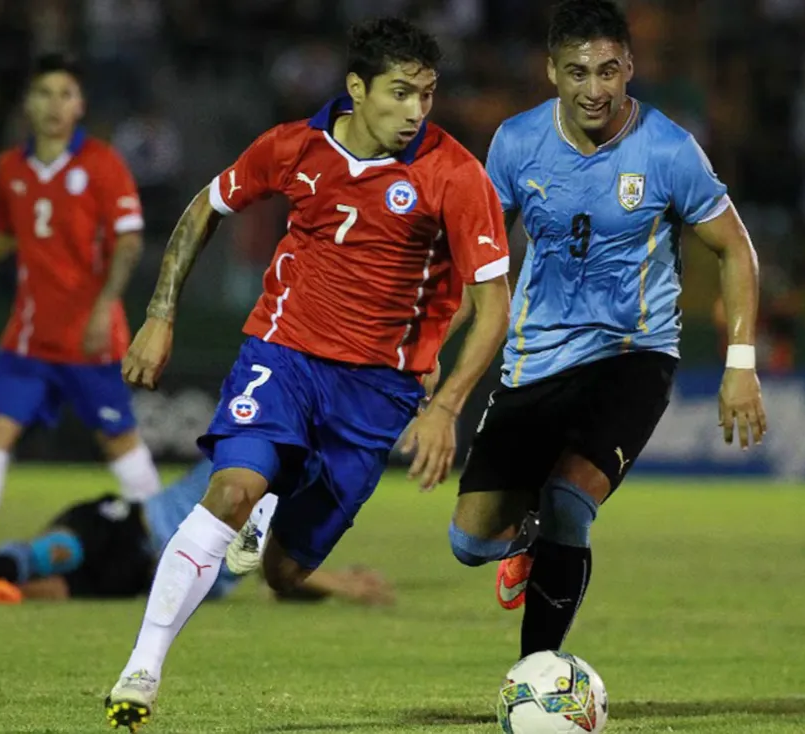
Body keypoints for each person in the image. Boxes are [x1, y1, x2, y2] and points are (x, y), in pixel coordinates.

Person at [105, 16, 512, 731]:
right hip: (284, 354)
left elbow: (494, 309)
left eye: (427, 93)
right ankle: (141, 667)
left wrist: (445, 406)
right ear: (356, 89)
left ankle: (276, 524)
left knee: (286, 574)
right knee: (231, 489)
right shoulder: (291, 147)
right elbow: (207, 206)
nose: (416, 111)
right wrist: (160, 313)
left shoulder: (455, 174)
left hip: (379, 394)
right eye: (399, 93)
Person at [449, 0, 767, 662]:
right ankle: (526, 538)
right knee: (471, 543)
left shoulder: (670, 150)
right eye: (578, 72)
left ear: (630, 68)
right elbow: (479, 258)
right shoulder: (515, 143)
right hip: (535, 359)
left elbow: (736, 249)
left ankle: (534, 675)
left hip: (633, 356)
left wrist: (741, 362)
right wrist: (429, 345)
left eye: (607, 71)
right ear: (551, 72)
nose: (594, 89)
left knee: (569, 501)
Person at [0, 53, 161, 579]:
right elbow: (7, 231)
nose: (54, 105)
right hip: (27, 339)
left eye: (65, 94)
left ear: (80, 105)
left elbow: (129, 244)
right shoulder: (10, 168)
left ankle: (177, 551)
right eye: (44, 93)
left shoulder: (103, 164)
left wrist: (105, 305)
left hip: (91, 340)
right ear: (28, 103)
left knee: (120, 444)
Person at [0, 460, 394, 606]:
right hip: (125, 527)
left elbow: (267, 572)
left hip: (137, 577)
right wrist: (343, 585)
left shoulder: (286, 514)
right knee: (44, 557)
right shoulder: (250, 455)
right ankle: (2, 567)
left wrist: (337, 582)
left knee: (6, 592)